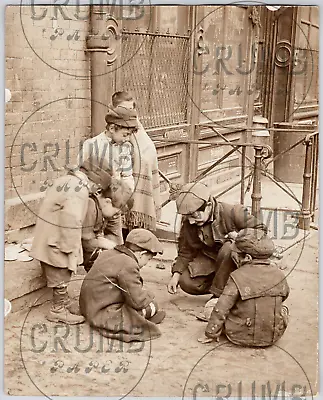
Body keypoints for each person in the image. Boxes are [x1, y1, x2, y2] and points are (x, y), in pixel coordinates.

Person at [30, 167, 111, 325]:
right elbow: (71, 220)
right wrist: (70, 250)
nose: (96, 192)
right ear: (95, 184)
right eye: (98, 189)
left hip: (48, 234)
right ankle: (57, 310)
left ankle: (64, 302)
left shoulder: (66, 181)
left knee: (59, 272)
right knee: (61, 272)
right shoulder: (78, 190)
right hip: (57, 239)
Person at [167, 182, 268, 302]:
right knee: (186, 282)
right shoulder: (190, 222)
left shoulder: (234, 212)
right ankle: (228, 289)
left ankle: (220, 296)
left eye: (194, 215)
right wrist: (176, 275)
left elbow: (260, 230)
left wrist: (239, 237)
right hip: (212, 261)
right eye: (188, 217)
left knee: (229, 247)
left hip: (235, 262)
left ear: (209, 205)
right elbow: (186, 251)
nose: (192, 221)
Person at [200, 228, 289, 347]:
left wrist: (210, 333)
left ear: (247, 258)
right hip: (272, 337)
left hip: (239, 335)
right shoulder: (279, 274)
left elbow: (221, 308)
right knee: (283, 309)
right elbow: (284, 296)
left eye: (235, 255)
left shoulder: (237, 276)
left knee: (211, 306)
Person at [79, 229, 166, 343]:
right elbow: (137, 301)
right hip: (103, 314)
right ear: (141, 254)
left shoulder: (109, 253)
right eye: (148, 259)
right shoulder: (129, 264)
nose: (146, 264)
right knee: (151, 305)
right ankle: (138, 318)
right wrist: (150, 294)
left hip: (87, 307)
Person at [77, 106, 138, 246]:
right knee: (93, 242)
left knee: (117, 243)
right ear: (112, 128)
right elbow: (82, 176)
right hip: (95, 206)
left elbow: (127, 175)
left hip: (114, 206)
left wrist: (124, 197)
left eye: (129, 135)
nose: (127, 138)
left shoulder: (125, 148)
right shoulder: (91, 145)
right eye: (125, 134)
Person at [111, 91, 162, 235]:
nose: (127, 114)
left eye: (131, 109)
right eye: (123, 109)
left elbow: (148, 155)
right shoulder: (112, 129)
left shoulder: (138, 131)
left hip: (135, 191)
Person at [81, 178, 133, 272]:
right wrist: (106, 244)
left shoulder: (101, 209)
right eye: (117, 212)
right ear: (108, 202)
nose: (117, 216)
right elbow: (86, 242)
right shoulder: (91, 205)